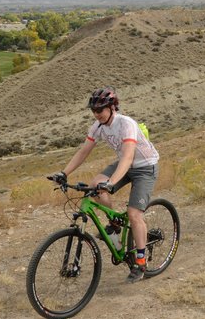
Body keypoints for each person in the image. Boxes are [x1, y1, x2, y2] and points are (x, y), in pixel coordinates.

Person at [48, 87, 159, 283]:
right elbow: (83, 152)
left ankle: (140, 263)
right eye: (94, 110)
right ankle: (115, 224)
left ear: (112, 107)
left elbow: (127, 157)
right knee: (94, 185)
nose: (97, 114)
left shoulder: (126, 124)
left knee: (134, 214)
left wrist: (112, 182)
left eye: (100, 110)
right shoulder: (98, 127)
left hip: (144, 167)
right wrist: (64, 173)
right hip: (126, 164)